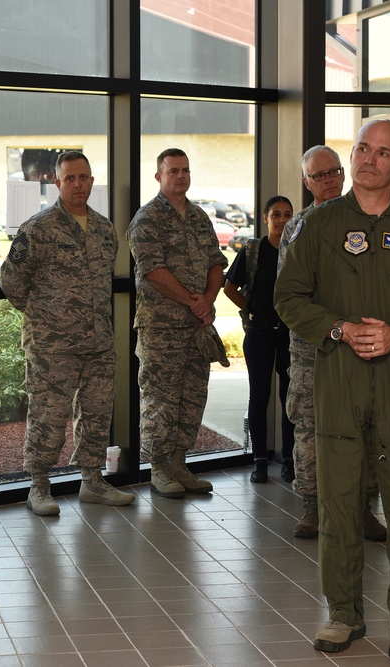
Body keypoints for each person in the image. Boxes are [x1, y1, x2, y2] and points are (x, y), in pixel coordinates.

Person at [275, 119, 390, 662]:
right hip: (340, 376)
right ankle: (343, 614)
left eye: (384, 153)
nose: (369, 159)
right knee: (338, 501)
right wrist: (338, 328)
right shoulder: (318, 225)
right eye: (363, 148)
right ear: (352, 153)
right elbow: (288, 296)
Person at [0, 150, 135, 516]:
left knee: (96, 415)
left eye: (84, 177)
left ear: (92, 181)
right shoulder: (38, 228)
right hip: (52, 347)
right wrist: (44, 318)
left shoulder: (106, 231)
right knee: (48, 417)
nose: (78, 184)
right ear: (57, 183)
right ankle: (39, 487)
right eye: (70, 178)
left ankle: (92, 482)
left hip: (99, 343)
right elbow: (11, 280)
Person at [277, 146, 388, 541]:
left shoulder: (371, 217)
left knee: (370, 428)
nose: (328, 180)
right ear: (306, 182)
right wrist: (334, 326)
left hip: (369, 348)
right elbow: (290, 295)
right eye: (318, 175)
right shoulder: (300, 227)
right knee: (310, 428)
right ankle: (313, 506)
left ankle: (363, 510)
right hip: (315, 350)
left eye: (333, 172)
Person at [127, 148, 228, 499]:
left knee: (192, 397)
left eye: (185, 170)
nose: (181, 176)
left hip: (197, 328)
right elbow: (153, 271)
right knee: (161, 400)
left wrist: (208, 300)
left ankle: (180, 463)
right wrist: (192, 300)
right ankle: (158, 468)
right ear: (159, 176)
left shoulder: (200, 217)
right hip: (162, 330)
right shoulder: (147, 219)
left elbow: (217, 262)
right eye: (173, 171)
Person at [223, 196, 295, 484]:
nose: (282, 220)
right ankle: (260, 461)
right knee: (260, 396)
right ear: (265, 218)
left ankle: (289, 459)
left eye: (287, 215)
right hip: (259, 333)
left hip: (290, 334)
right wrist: (251, 309)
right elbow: (229, 288)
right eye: (276, 215)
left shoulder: (297, 251)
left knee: (290, 398)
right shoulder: (253, 250)